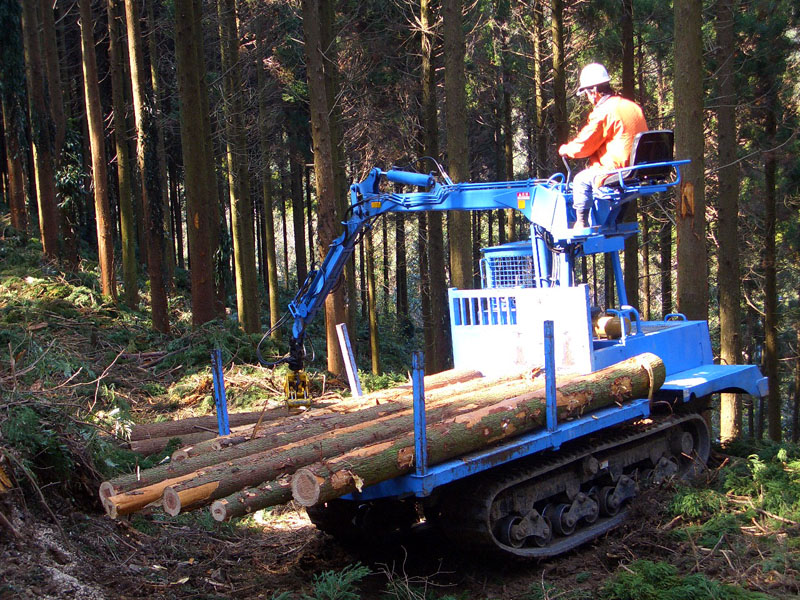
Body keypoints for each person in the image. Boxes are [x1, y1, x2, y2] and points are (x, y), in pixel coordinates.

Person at [558, 63, 647, 228]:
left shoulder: (605, 111)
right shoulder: (632, 107)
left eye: (586, 93)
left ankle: (581, 224)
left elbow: (584, 145)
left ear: (593, 91)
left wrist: (566, 149)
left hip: (618, 169)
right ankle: (615, 221)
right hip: (637, 169)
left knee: (580, 180)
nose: (588, 98)